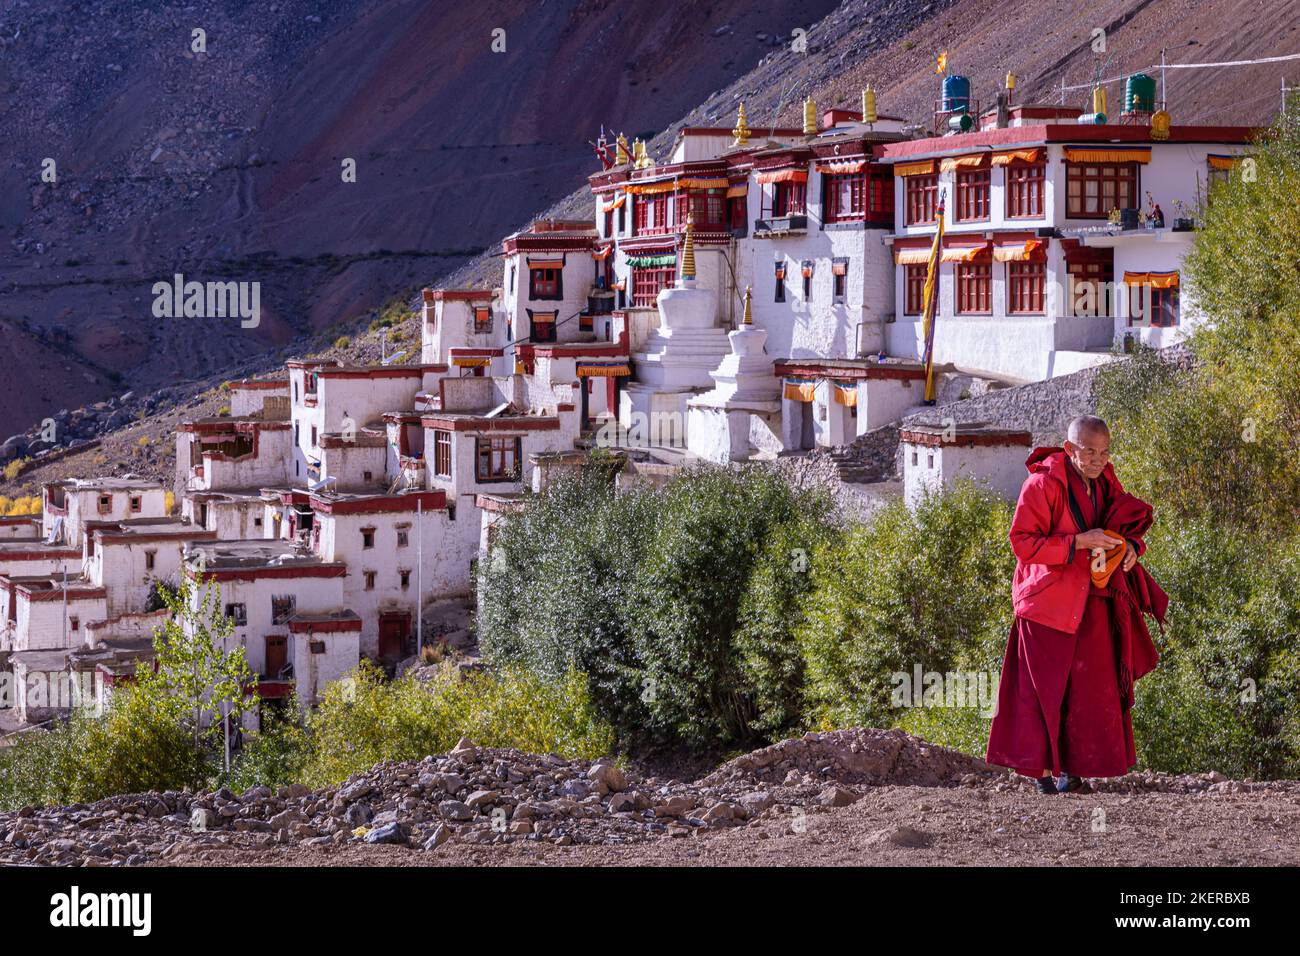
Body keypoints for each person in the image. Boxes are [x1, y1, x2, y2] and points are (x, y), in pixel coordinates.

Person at [985, 415, 1167, 794]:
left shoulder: (1105, 480)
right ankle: (1039, 773)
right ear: (1069, 449)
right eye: (1090, 452)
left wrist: (1133, 548)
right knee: (1043, 692)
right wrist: (1078, 543)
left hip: (1091, 599)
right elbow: (1022, 543)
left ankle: (1073, 771)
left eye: (1104, 452)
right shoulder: (1041, 484)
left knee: (1085, 689)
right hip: (1046, 602)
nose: (1099, 460)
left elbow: (1124, 522)